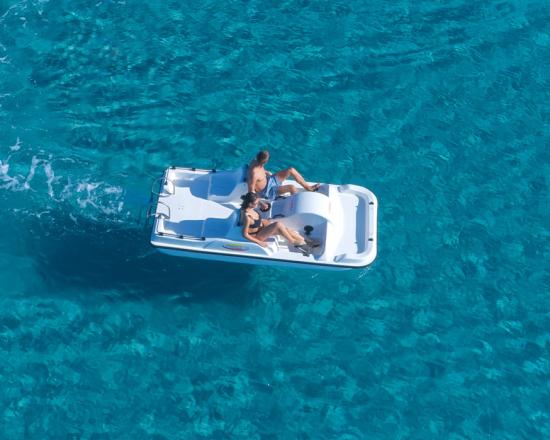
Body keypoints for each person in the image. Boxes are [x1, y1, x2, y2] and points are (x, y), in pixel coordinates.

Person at [240, 192, 313, 253]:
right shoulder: (248, 217)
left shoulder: (251, 208)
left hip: (261, 228)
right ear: (250, 204)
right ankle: (293, 241)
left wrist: (265, 221)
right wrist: (259, 242)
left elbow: (256, 218)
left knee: (285, 229)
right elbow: (245, 234)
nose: (258, 204)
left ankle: (305, 241)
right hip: (257, 236)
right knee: (278, 225)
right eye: (256, 203)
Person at [247, 150, 320, 201]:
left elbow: (259, 171)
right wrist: (260, 202)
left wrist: (265, 172)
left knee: (291, 170)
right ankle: (295, 207)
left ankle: (308, 187)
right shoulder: (255, 174)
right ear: (265, 162)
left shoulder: (256, 161)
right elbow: (251, 190)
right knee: (292, 188)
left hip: (270, 180)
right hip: (268, 191)